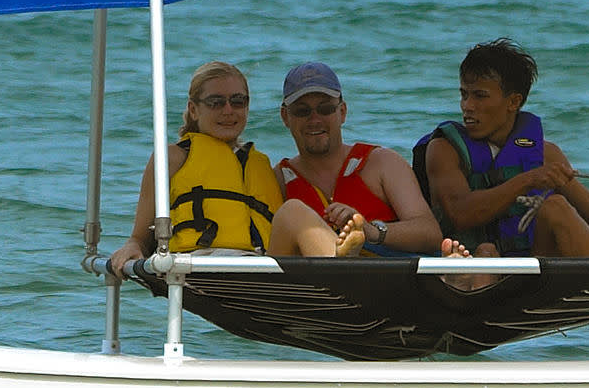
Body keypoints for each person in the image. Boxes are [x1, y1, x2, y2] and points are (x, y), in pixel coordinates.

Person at [417, 38, 589, 261]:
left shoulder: (545, 154)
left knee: (555, 206)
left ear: (513, 102)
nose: (468, 106)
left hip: (529, 270)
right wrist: (528, 180)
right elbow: (460, 213)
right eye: (464, 94)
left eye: (480, 96)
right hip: (469, 261)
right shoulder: (444, 148)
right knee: (489, 249)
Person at [107, 59, 282, 275]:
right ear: (193, 109)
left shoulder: (263, 165)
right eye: (216, 102)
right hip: (199, 264)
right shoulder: (171, 158)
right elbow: (140, 239)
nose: (228, 110)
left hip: (261, 267)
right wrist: (132, 247)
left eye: (238, 101)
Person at [262, 60, 446, 260]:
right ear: (285, 117)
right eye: (302, 111)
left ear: (342, 112)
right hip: (315, 285)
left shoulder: (381, 162)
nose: (315, 119)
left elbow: (430, 233)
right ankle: (338, 257)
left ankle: (342, 258)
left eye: (325, 109)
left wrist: (369, 230)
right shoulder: (279, 179)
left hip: (382, 277)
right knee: (292, 211)